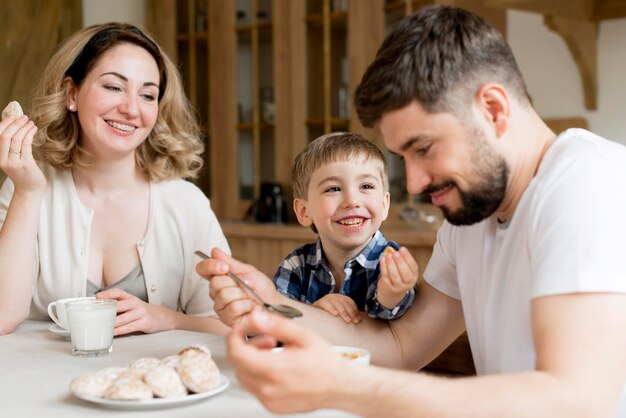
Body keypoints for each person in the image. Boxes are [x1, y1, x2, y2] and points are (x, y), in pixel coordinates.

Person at [197, 5, 626, 417]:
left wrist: (344, 385)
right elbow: (399, 348)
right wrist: (269, 302)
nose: (417, 184)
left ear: (493, 109)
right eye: (405, 159)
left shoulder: (585, 183)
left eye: (425, 148)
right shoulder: (470, 216)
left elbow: (579, 400)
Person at [0, 22, 230, 336]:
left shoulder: (185, 203)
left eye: (148, 95)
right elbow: (2, 317)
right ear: (72, 93)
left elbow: (231, 327)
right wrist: (27, 192)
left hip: (149, 384)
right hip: (41, 383)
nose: (132, 109)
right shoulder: (27, 187)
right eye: (113, 87)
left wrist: (168, 318)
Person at [274, 132, 418, 324]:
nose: (352, 201)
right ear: (303, 211)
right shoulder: (295, 266)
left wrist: (391, 293)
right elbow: (272, 323)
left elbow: (391, 315)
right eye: (333, 189)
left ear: (384, 205)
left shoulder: (390, 262)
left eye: (366, 186)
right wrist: (312, 313)